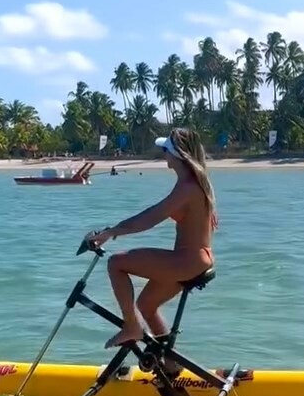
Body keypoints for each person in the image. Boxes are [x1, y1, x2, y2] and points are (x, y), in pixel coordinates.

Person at [87, 128, 217, 349]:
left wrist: (110, 233)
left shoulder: (188, 188)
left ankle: (132, 327)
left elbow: (149, 218)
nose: (163, 154)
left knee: (116, 263)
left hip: (187, 262)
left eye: (165, 150)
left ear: (177, 154)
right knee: (146, 305)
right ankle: (169, 363)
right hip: (195, 260)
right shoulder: (196, 184)